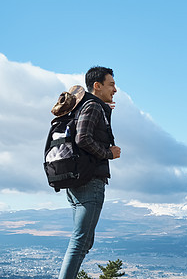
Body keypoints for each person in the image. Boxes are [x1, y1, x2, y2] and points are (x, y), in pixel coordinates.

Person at [59, 66, 121, 279]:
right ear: (97, 85)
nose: (115, 89)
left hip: (76, 180)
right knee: (80, 241)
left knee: (84, 240)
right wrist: (108, 154)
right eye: (111, 84)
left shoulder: (86, 106)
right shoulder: (93, 106)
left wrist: (106, 110)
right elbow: (83, 138)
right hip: (90, 181)